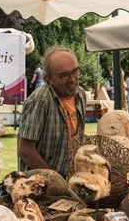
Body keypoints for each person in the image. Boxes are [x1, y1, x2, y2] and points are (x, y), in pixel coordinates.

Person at [18, 47, 86, 179]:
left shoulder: (80, 95)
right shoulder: (40, 100)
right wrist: (55, 179)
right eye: (64, 75)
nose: (72, 79)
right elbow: (25, 151)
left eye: (75, 71)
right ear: (49, 78)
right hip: (40, 184)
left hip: (70, 180)